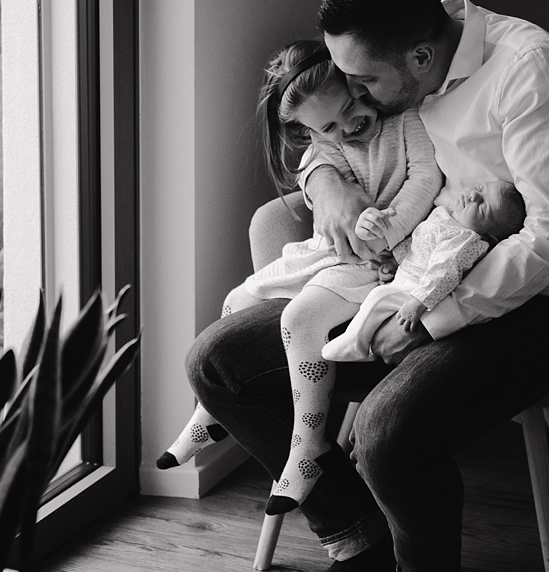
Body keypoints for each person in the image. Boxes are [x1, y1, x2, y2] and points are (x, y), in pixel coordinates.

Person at [187, 0, 549, 572]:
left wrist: (430, 317)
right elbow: (321, 128)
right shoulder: (401, 75)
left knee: (384, 436)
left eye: (362, 82)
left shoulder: (529, 73)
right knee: (215, 362)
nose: (355, 98)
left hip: (534, 307)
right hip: (408, 270)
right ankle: (358, 538)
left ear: (422, 56)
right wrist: (322, 180)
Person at [158, 39, 442, 507]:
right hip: (329, 252)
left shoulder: (406, 122)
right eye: (328, 126)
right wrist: (326, 174)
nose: (348, 125)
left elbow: (426, 179)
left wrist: (385, 233)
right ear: (308, 130)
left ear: (356, 82)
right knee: (239, 299)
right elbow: (316, 174)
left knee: (299, 320)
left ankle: (308, 444)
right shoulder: (322, 146)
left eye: (351, 105)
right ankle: (209, 414)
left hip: (381, 261)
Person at [323, 179, 526, 361]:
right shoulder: (445, 215)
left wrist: (417, 304)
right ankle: (364, 344)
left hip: (417, 288)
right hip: (405, 275)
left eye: (483, 208)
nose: (473, 196)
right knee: (375, 302)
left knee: (378, 296)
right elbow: (418, 243)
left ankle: (355, 343)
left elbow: (443, 274)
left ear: (489, 233)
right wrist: (395, 261)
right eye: (480, 188)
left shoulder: (464, 239)